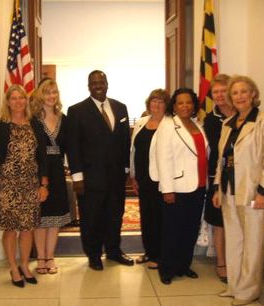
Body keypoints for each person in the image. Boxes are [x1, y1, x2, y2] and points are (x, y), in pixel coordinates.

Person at [212, 75, 264, 306]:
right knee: (235, 240)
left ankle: (249, 291)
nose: (239, 96)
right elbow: (222, 159)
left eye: (244, 91)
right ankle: (235, 286)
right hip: (229, 191)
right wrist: (218, 189)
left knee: (251, 243)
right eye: (235, 93)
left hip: (253, 193)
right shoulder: (227, 124)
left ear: (253, 95)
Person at [66, 70, 132, 271]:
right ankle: (93, 255)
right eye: (93, 83)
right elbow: (73, 146)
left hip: (116, 176)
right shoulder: (76, 111)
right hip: (90, 178)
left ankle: (113, 250)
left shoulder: (121, 108)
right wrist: (77, 176)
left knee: (115, 215)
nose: (98, 86)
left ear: (107, 83)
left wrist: (127, 168)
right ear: (88, 86)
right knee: (91, 218)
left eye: (101, 82)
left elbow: (124, 141)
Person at [0, 84, 48, 287]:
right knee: (11, 229)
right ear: (7, 102)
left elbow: (43, 156)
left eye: (21, 98)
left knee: (28, 228)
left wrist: (43, 184)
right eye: (13, 98)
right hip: (8, 185)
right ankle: (13, 267)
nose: (18, 102)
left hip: (30, 184)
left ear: (26, 100)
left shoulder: (35, 124)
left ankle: (24, 265)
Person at [154, 88, 208, 285]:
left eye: (188, 102)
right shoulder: (168, 125)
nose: (185, 106)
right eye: (180, 103)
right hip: (176, 188)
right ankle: (167, 269)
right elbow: (163, 158)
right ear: (174, 106)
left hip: (199, 185)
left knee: (190, 229)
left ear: (194, 104)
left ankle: (183, 265)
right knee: (172, 230)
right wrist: (167, 188)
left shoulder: (196, 123)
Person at [31, 79, 71, 274]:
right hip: (38, 172)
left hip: (58, 173)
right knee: (41, 217)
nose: (51, 96)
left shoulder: (64, 118)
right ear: (40, 95)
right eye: (47, 92)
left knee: (55, 218)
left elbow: (70, 147)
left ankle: (50, 257)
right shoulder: (33, 119)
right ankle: (40, 258)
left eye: (54, 92)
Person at [129, 89, 170, 269]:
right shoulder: (141, 123)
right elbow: (134, 151)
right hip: (143, 178)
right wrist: (133, 176)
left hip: (163, 180)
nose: (156, 105)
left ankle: (161, 255)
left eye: (161, 101)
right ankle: (150, 251)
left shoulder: (171, 124)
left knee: (161, 217)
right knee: (147, 217)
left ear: (166, 105)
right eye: (154, 101)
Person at [203, 74, 235, 283]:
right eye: (216, 92)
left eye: (224, 90)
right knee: (219, 223)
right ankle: (221, 262)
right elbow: (215, 151)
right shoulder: (210, 119)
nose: (220, 95)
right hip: (217, 178)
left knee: (238, 222)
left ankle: (237, 262)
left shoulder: (243, 114)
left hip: (241, 178)